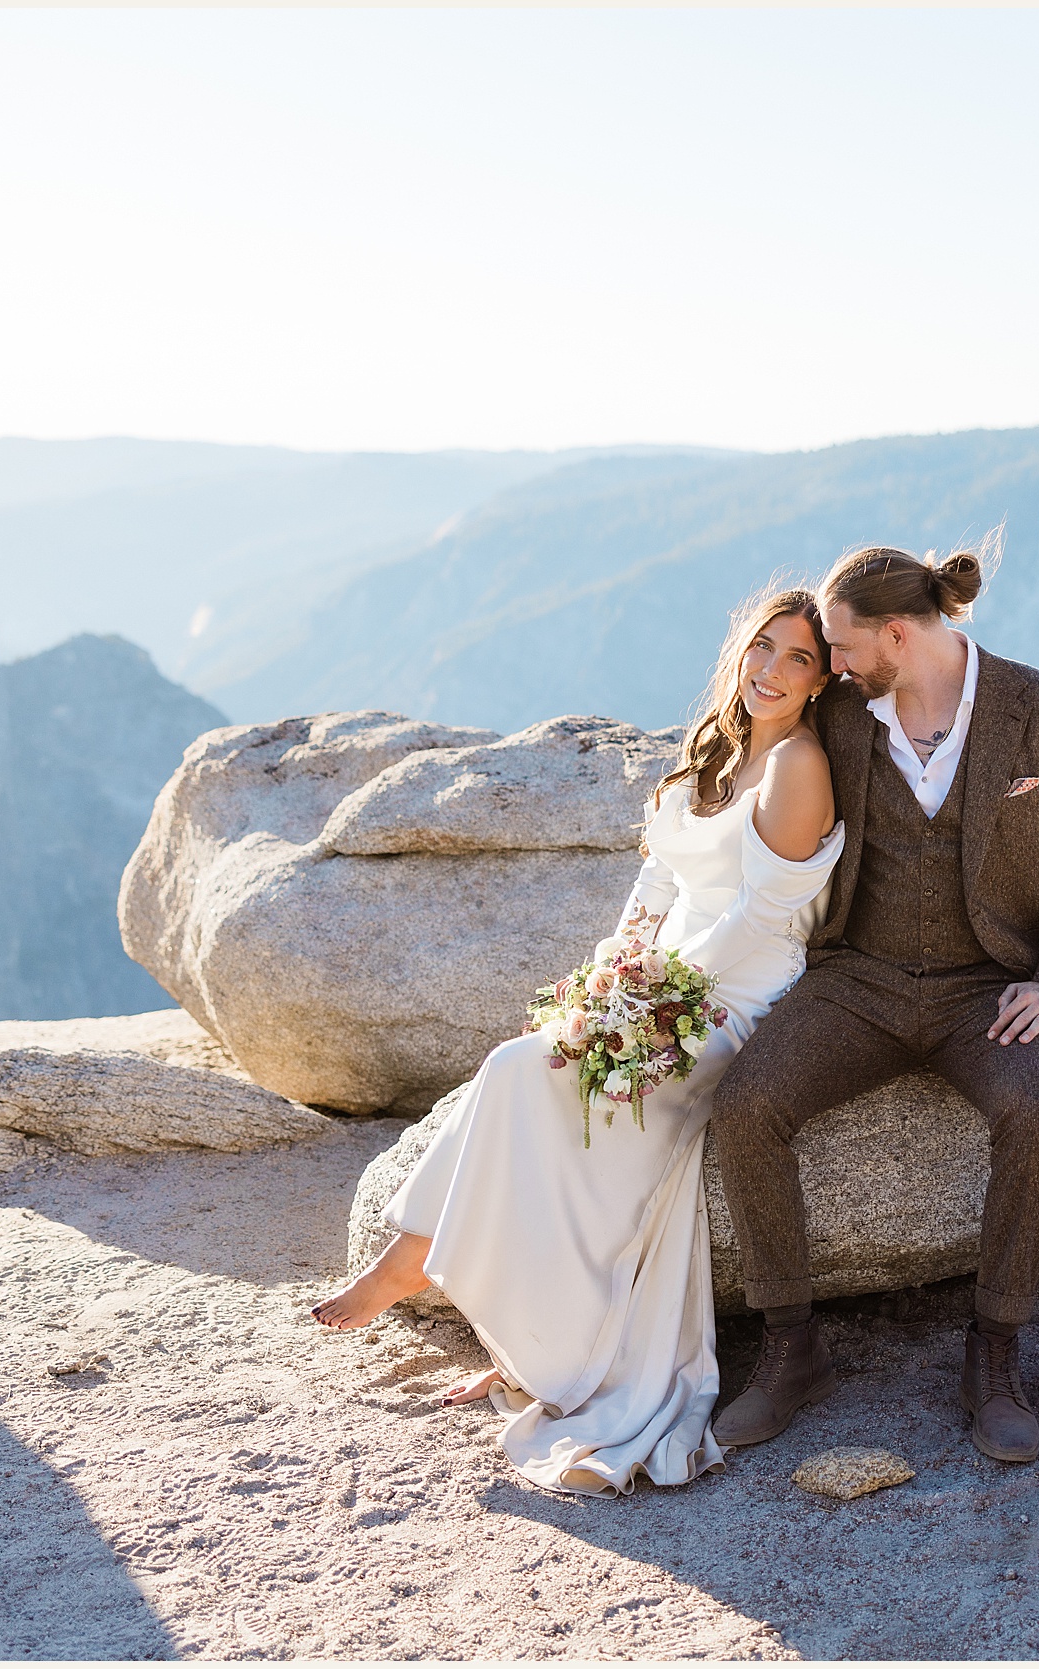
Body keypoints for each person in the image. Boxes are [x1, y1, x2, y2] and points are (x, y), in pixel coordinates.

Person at [310, 585, 845, 1498]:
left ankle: (415, 1257)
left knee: (524, 1074)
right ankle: (451, 1285)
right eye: (765, 647)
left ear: (822, 680)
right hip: (663, 985)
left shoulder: (797, 764)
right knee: (526, 1069)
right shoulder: (714, 753)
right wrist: (609, 976)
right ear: (740, 648)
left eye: (800, 659)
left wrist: (654, 1004)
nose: (774, 671)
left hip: (733, 996)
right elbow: (656, 885)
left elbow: (762, 917)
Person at [709, 539, 1039, 1465]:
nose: (835, 664)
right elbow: (756, 751)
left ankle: (996, 1353)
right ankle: (790, 1348)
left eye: (845, 647)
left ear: (899, 633)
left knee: (1038, 1108)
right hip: (861, 977)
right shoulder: (850, 718)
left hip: (990, 985)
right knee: (744, 1107)